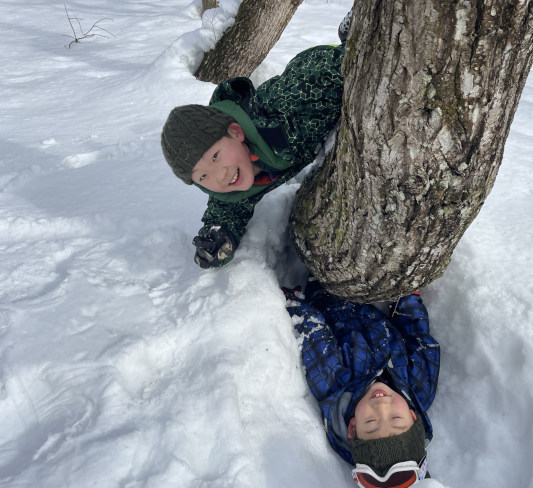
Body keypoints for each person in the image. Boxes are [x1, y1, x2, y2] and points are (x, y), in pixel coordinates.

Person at [160, 20, 349, 269]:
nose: (220, 176)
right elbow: (227, 210)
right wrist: (219, 237)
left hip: (321, 69)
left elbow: (319, 71)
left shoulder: (282, 108)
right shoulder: (230, 185)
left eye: (215, 156)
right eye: (203, 175)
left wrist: (351, 54)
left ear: (236, 132)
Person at [282, 280, 441, 487]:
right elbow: (417, 337)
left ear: (353, 427)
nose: (382, 407)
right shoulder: (419, 388)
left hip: (327, 288)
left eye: (371, 423)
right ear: (413, 417)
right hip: (373, 287)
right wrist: (405, 295)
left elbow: (314, 335)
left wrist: (296, 304)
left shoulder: (334, 384)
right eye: (395, 418)